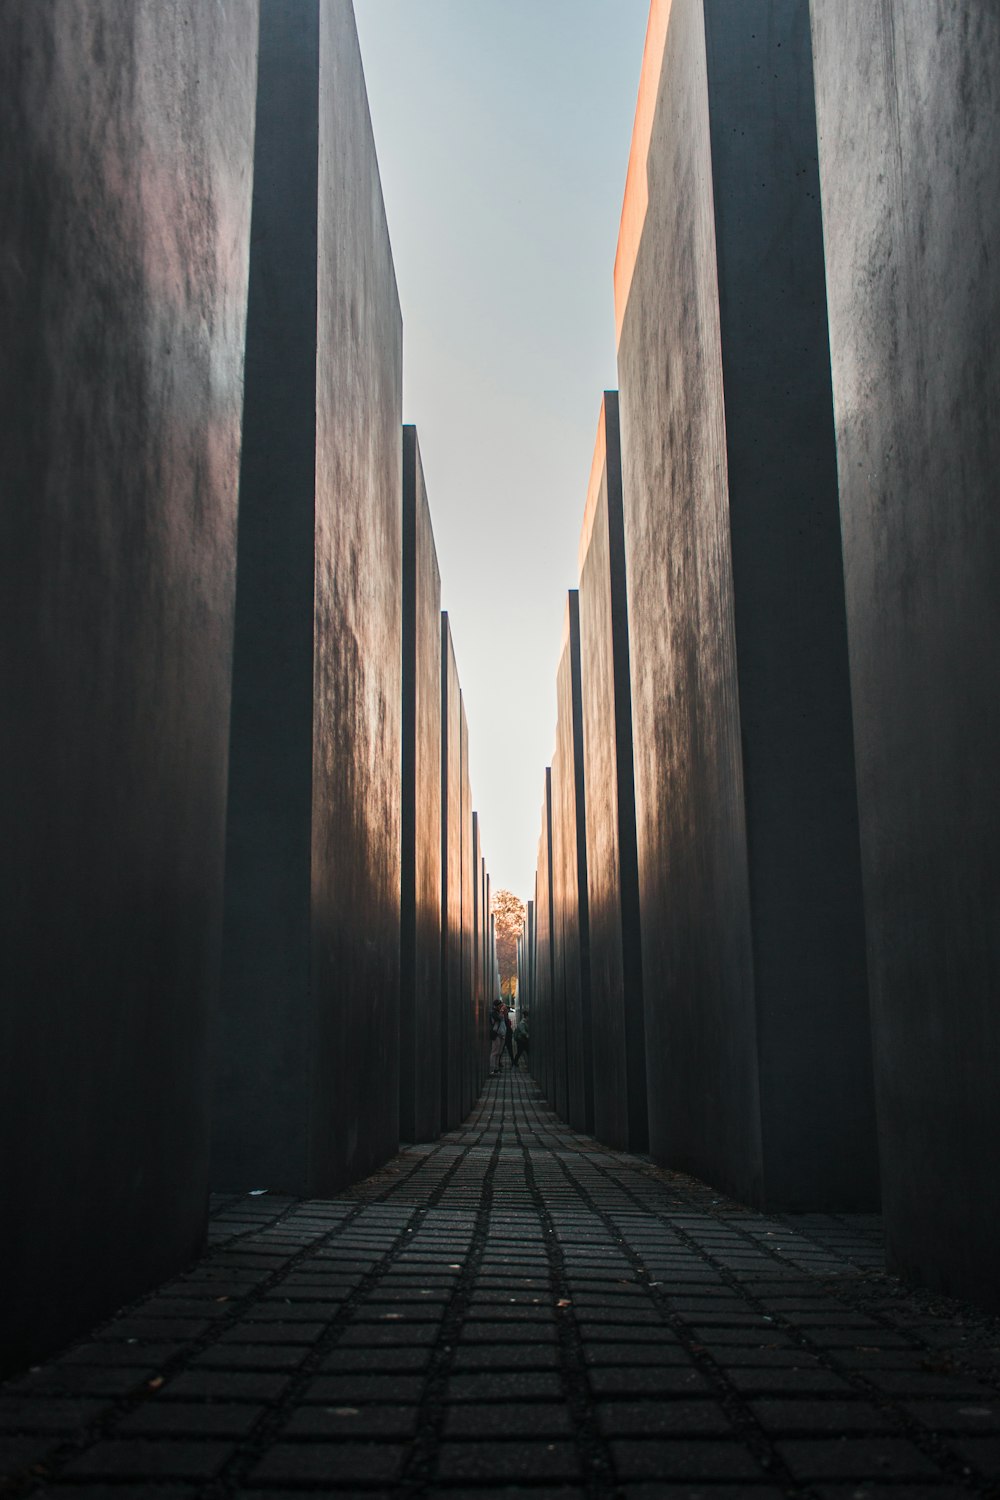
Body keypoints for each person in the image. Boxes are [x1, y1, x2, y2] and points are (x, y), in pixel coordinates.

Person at [489, 1000, 506, 1076]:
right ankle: (492, 1069)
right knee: (494, 1052)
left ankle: (496, 1068)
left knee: (499, 1052)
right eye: (500, 1005)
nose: (501, 1007)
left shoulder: (499, 1012)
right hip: (496, 1034)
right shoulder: (493, 1013)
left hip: (501, 1034)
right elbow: (498, 1019)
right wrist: (501, 1012)